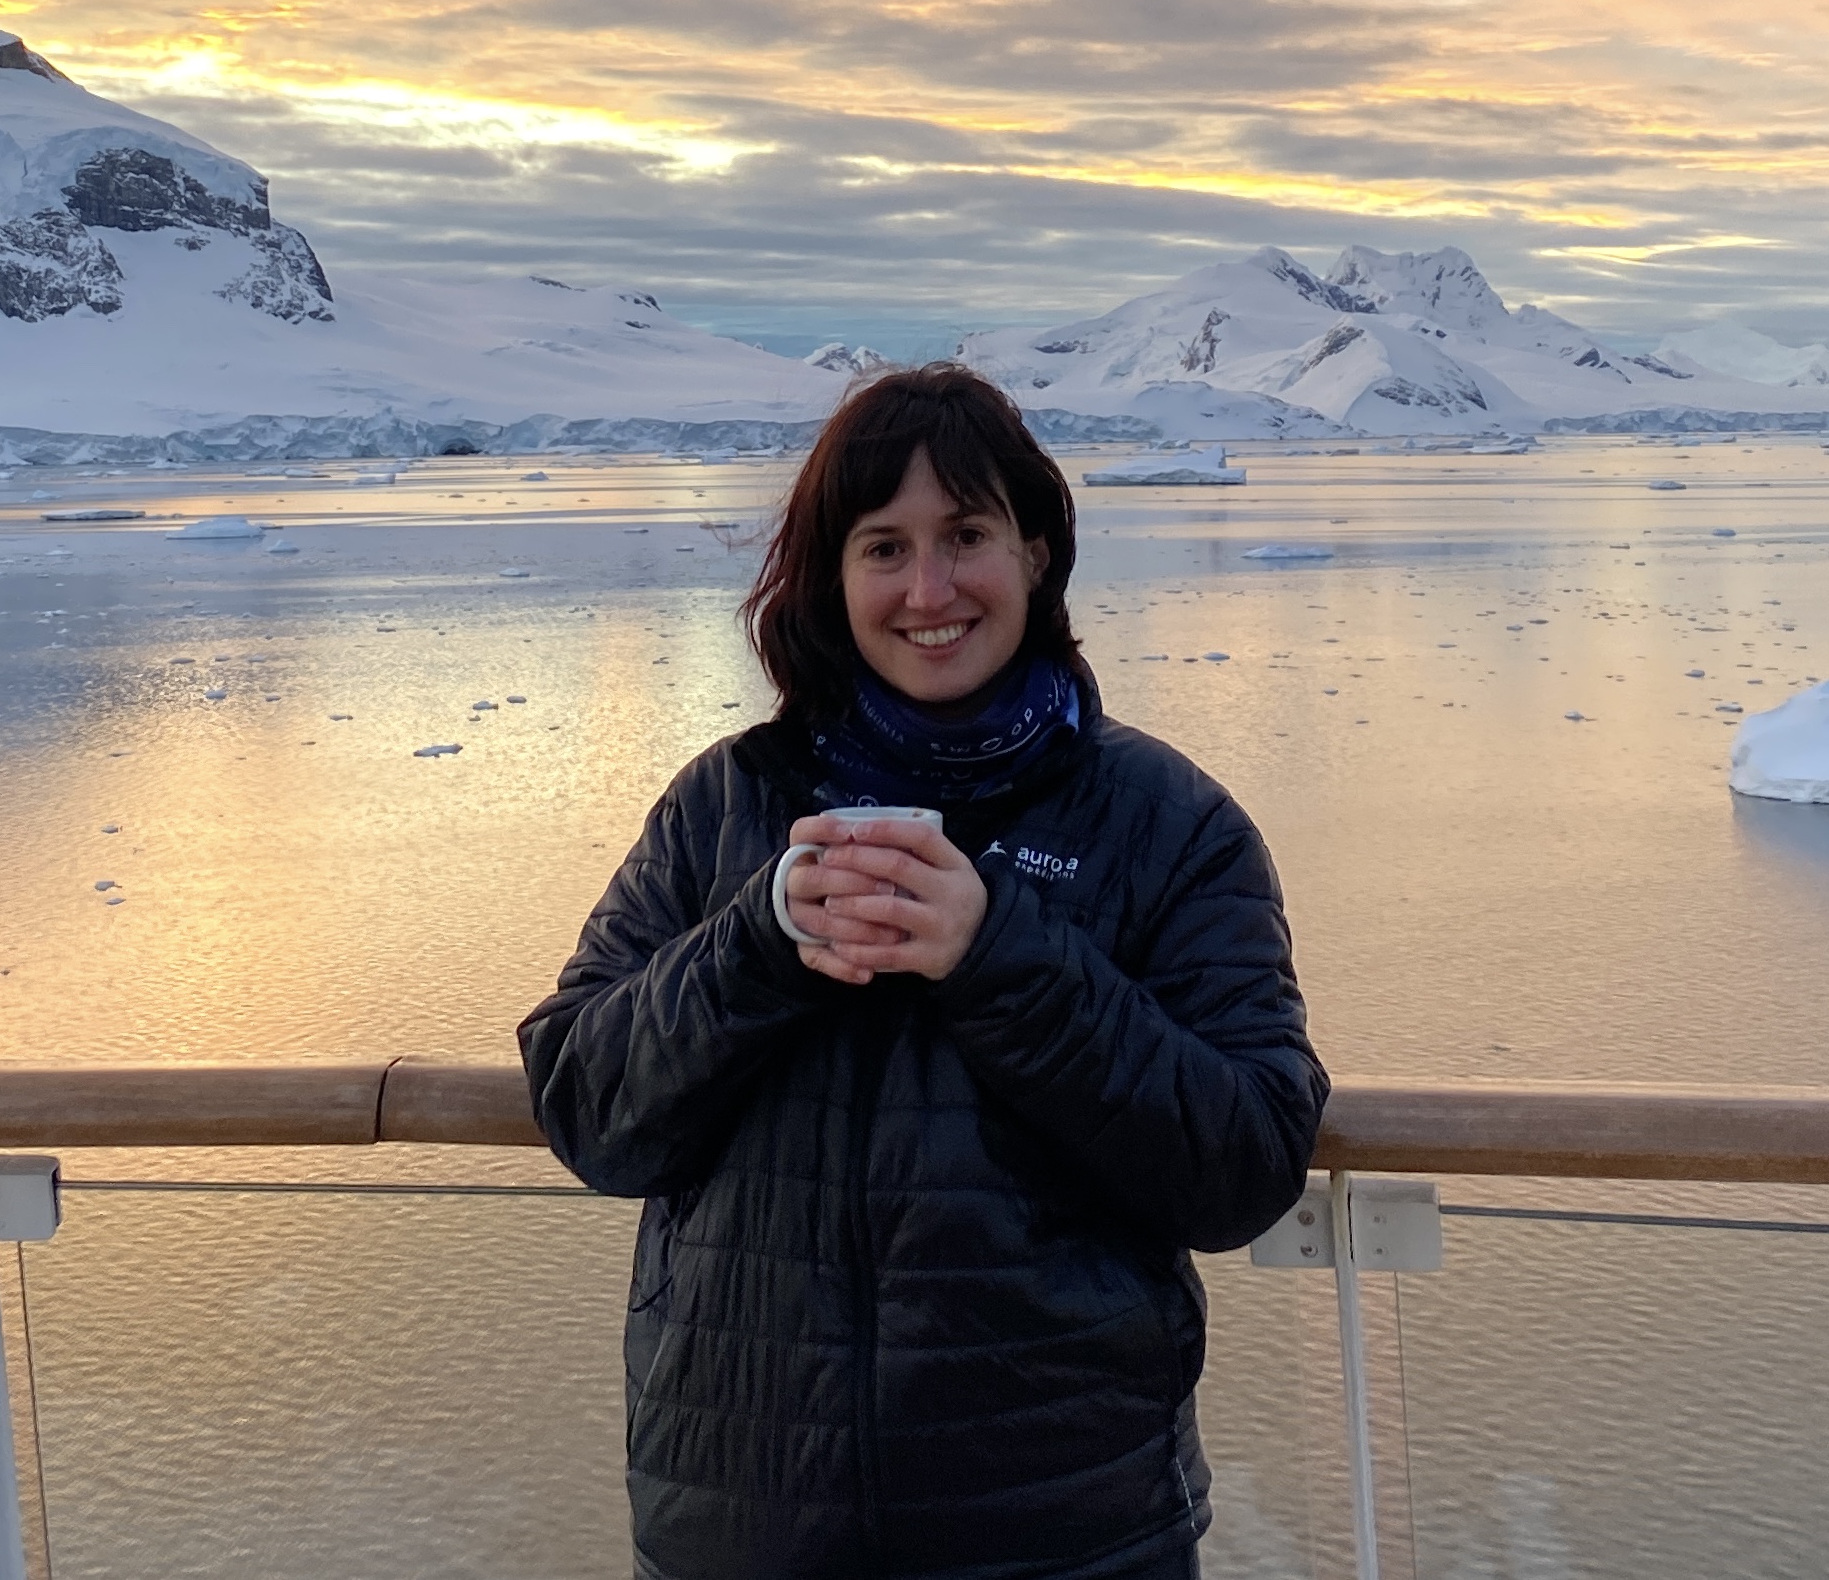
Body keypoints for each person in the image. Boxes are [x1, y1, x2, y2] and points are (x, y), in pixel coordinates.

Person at [521, 365, 1328, 1580]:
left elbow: (1246, 1165)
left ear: (1039, 552)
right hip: (742, 1530)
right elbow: (586, 1109)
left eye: (966, 537)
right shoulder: (724, 809)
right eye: (883, 547)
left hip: (1066, 1535)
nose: (929, 590)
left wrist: (999, 955)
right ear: (832, 577)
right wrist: (758, 941)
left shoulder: (1165, 823)